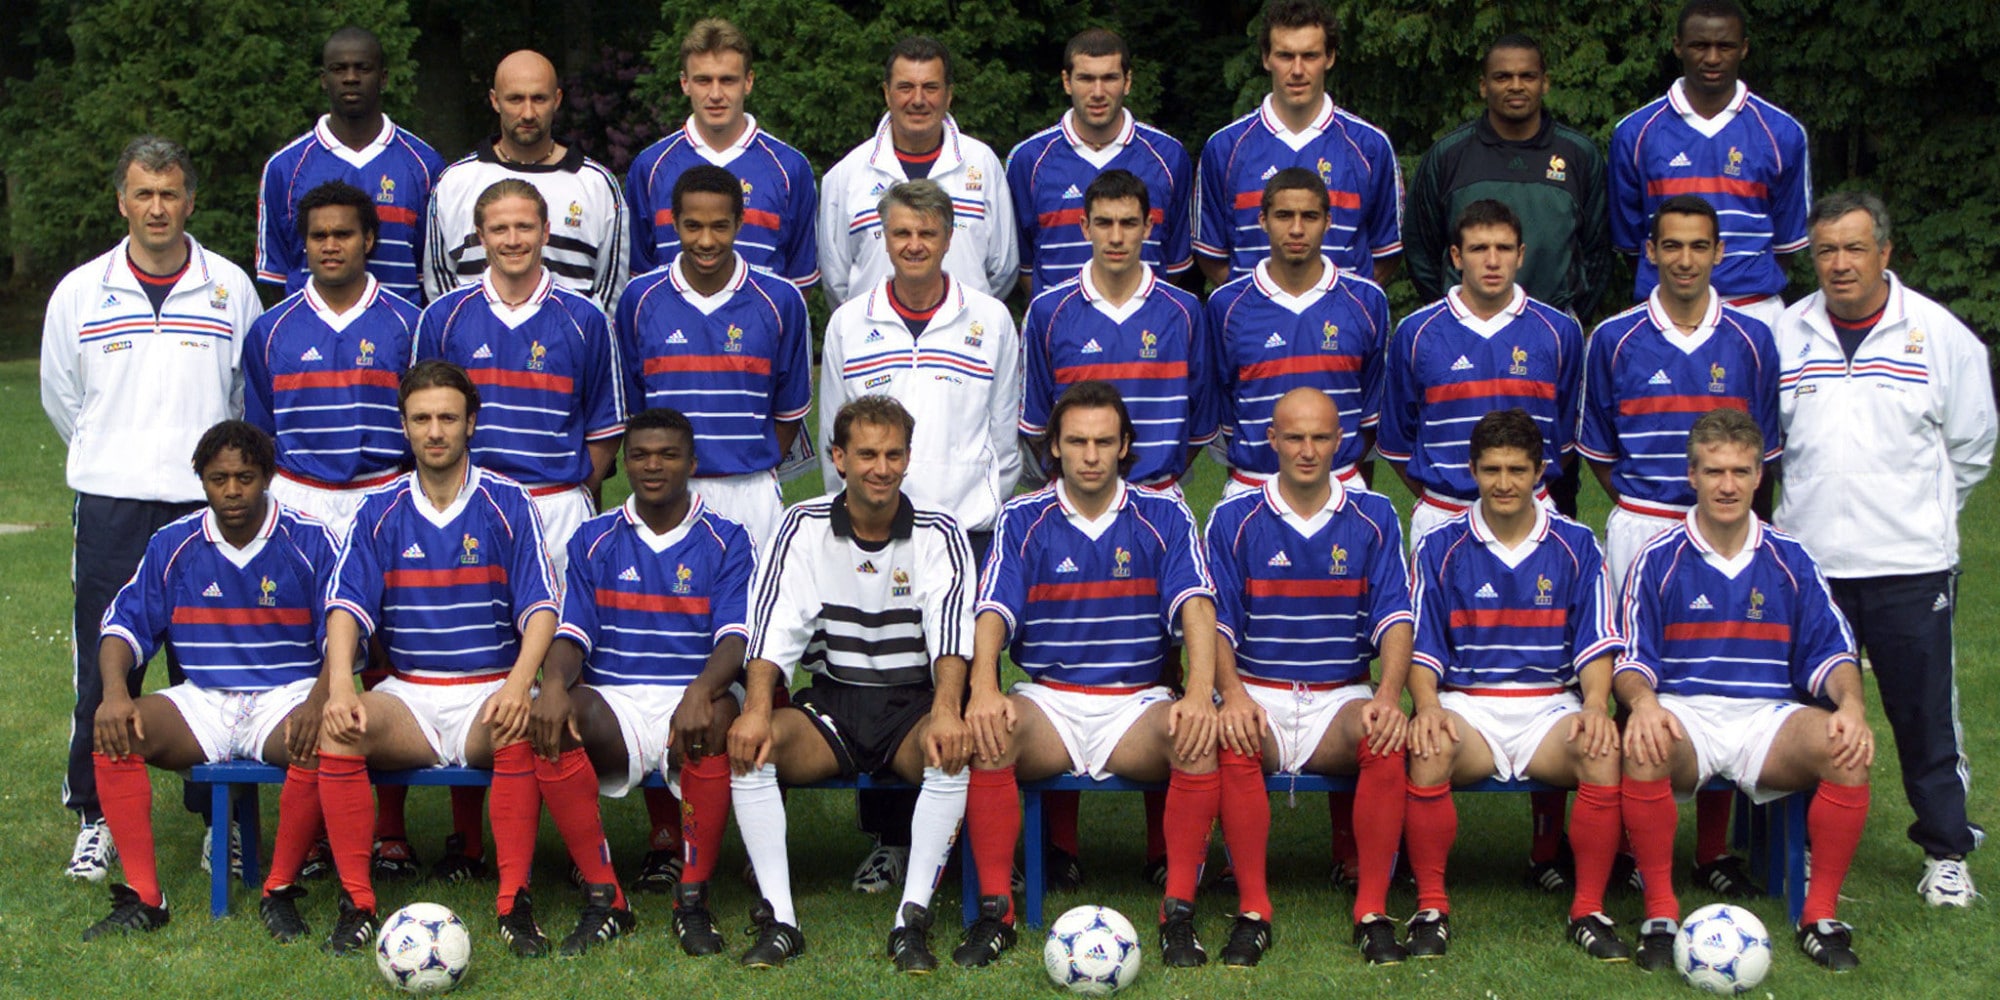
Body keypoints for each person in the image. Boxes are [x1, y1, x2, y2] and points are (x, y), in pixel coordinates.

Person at [42, 135, 263, 882]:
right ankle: (97, 817)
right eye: (144, 193)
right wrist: (116, 454)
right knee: (106, 664)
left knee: (217, 667)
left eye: (170, 194)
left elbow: (243, 401)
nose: (158, 207)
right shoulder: (81, 290)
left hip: (207, 508)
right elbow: (62, 397)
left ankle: (220, 822)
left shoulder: (229, 286)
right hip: (111, 501)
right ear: (122, 201)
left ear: (190, 201)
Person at [313, 361, 585, 958]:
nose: (434, 431)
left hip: (489, 686)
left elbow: (542, 607)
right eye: (421, 419)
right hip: (410, 693)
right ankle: (357, 904)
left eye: (447, 418)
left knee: (519, 728)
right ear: (404, 427)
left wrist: (520, 685)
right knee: (342, 731)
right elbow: (346, 607)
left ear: (471, 424)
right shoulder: (378, 508)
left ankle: (514, 902)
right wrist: (339, 688)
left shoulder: (508, 502)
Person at [957, 380, 1228, 969]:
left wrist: (1202, 694)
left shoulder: (1163, 513)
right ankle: (994, 912)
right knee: (990, 734)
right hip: (1049, 701)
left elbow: (1197, 605)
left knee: (1197, 739)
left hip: (1134, 704)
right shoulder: (1022, 518)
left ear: (1124, 444)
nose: (1089, 455)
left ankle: (1178, 913)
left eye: (1104, 442)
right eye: (1076, 441)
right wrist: (982, 688)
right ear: (1053, 445)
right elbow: (992, 611)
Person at [1773, 191, 1996, 907]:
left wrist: (1918, 516)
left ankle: (1947, 851)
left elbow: (1972, 446)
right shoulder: (1786, 334)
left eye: (1855, 247)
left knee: (1922, 711)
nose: (1840, 264)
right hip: (1810, 568)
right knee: (1806, 712)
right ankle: (1799, 847)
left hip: (1910, 566)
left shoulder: (1937, 334)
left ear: (1886, 253)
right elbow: (1768, 449)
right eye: (1827, 250)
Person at [726, 395, 978, 971]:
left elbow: (950, 633)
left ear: (909, 459)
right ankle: (780, 918)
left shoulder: (941, 530)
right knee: (752, 748)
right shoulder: (802, 524)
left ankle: (910, 921)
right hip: (835, 701)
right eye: (866, 454)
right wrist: (758, 708)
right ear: (838, 458)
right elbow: (774, 625)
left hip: (912, 704)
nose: (881, 468)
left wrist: (946, 711)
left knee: (951, 754)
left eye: (893, 454)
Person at [1617, 407, 1875, 971]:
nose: (1727, 485)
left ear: (1760, 475)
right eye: (1713, 472)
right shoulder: (1656, 559)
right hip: (1686, 713)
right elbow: (1632, 659)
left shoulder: (1792, 558)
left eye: (1740, 471)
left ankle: (1819, 914)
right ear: (1692, 476)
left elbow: (1832, 651)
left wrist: (1851, 705)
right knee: (1642, 741)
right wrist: (1642, 704)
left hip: (1769, 717)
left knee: (1845, 748)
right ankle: (1660, 911)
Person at [818, 179, 1019, 891]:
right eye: (900, 234)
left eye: (927, 234)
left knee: (956, 686)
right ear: (882, 236)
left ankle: (966, 845)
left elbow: (1004, 433)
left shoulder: (990, 318)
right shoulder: (849, 322)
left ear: (949, 237)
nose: (913, 246)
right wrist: (847, 528)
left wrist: (987, 513)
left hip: (963, 531)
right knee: (875, 679)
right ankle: (889, 841)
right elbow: (832, 437)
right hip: (875, 532)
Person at [80, 422, 334, 941]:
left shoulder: (310, 539)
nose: (233, 490)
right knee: (115, 733)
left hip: (284, 697)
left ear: (267, 477)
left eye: (245, 476)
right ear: (201, 479)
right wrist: (114, 694)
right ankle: (145, 899)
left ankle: (278, 891)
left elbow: (345, 634)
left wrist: (318, 698)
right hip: (204, 699)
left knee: (325, 738)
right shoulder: (174, 544)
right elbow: (121, 627)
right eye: (220, 478)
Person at [1402, 408, 1631, 963]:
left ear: (1540, 473)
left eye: (1517, 470)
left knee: (1600, 749)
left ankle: (1589, 909)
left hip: (1549, 706)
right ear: (1473, 471)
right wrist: (1428, 705)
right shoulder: (1440, 548)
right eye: (1491, 470)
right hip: (1469, 706)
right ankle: (1431, 907)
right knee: (1429, 745)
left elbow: (1595, 645)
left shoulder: (1577, 545)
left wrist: (1597, 705)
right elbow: (1423, 648)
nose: (1504, 483)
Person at [530, 407, 752, 956]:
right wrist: (552, 686)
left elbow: (735, 638)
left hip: (694, 691)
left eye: (668, 454)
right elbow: (573, 633)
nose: (653, 466)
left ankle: (692, 897)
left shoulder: (728, 538)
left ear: (692, 462)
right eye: (641, 455)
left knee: (721, 717)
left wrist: (701, 691)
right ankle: (607, 898)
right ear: (624, 462)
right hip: (619, 698)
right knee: (555, 718)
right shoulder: (592, 538)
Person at [1203, 387, 1413, 966]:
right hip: (1260, 688)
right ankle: (1252, 910)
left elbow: (1396, 617)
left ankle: (1372, 911)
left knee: (1383, 735)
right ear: (1271, 440)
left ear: (1339, 441)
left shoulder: (1373, 515)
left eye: (1320, 437)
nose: (1306, 450)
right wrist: (1235, 695)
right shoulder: (1233, 517)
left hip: (1339, 693)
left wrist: (1390, 697)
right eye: (1293, 437)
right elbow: (1216, 623)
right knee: (1233, 734)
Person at [417, 178, 625, 568]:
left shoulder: (586, 319)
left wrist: (570, 491)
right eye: (499, 229)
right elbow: (421, 422)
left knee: (559, 628)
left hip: (557, 509)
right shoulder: (443, 318)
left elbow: (605, 429)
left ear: (545, 231)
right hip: (468, 506)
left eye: (524, 227)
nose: (513, 240)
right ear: (481, 235)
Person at [1580, 194, 1780, 588]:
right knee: (1636, 649)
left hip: (1727, 530)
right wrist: (1647, 501)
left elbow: (1764, 454)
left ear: (1718, 252)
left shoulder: (1754, 340)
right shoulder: (1612, 339)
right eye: (1672, 246)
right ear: (1651, 251)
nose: (1685, 261)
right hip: (1642, 525)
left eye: (1699, 246)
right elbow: (1599, 452)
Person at [618, 165, 811, 549]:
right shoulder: (639, 300)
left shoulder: (781, 300)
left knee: (753, 607)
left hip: (750, 492)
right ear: (673, 223)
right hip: (667, 493)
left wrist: (746, 459)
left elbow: (789, 412)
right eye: (693, 226)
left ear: (740, 222)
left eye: (720, 226)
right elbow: (634, 407)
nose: (706, 240)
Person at [1380, 199, 1582, 547]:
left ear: (1520, 255)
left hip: (1532, 512)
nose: (1492, 261)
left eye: (1503, 248)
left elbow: (1561, 439)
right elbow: (1398, 441)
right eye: (1478, 249)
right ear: (1457, 257)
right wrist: (1448, 490)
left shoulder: (1559, 332)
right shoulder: (1416, 333)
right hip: (1444, 514)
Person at [1610, 0, 1809, 330]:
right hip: (1664, 312)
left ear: (1743, 49)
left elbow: (1786, 244)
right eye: (1700, 45)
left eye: (1725, 46)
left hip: (1754, 311)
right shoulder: (1634, 133)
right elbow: (1632, 244)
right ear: (1678, 47)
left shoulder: (1782, 133)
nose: (1713, 58)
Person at [244, 180, 422, 539]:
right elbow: (260, 432)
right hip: (297, 495)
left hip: (384, 491)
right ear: (305, 245)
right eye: (318, 236)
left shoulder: (410, 324)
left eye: (343, 234)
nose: (330, 246)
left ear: (368, 240)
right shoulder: (270, 329)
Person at [1020, 169, 1214, 494]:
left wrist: (1158, 475)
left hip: (1159, 496)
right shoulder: (1047, 312)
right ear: (1085, 227)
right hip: (1076, 498)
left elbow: (1200, 423)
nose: (1115, 237)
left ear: (1148, 227)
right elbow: (1037, 425)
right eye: (1104, 223)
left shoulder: (1184, 312)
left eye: (1128, 223)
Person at [1208, 168, 1388, 498]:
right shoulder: (1225, 305)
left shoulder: (1367, 301)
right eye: (1283, 215)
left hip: (1341, 485)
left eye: (1309, 216)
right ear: (1263, 220)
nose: (1296, 228)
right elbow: (1225, 410)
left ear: (1328, 221)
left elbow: (1370, 413)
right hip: (1253, 486)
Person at [1194, 0, 1401, 287]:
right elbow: (1211, 255)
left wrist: (1343, 305)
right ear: (1266, 58)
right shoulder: (1224, 148)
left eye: (1310, 55)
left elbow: (1386, 253)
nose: (1298, 70)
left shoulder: (1370, 146)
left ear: (1329, 57)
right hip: (1255, 326)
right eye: (1285, 56)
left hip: (1337, 328)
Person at [1405, 34, 1608, 326]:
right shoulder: (1449, 155)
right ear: (1483, 86)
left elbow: (1598, 250)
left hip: (1553, 326)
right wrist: (1455, 313)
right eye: (1502, 77)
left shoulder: (1578, 154)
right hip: (1464, 328)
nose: (1516, 86)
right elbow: (1420, 249)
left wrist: (1567, 317)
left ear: (1545, 82)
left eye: (1527, 76)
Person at [818, 36, 1017, 308]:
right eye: (905, 87)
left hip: (965, 342)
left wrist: (968, 316)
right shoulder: (847, 174)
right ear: (887, 93)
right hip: (877, 344)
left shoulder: (982, 165)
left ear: (949, 94)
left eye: (930, 87)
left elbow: (1003, 268)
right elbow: (835, 280)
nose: (918, 100)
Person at [425, 50, 628, 314]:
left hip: (567, 351)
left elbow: (610, 296)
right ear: (495, 101)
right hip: (474, 352)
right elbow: (439, 289)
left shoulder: (597, 185)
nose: (528, 113)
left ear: (557, 100)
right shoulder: (455, 183)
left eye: (539, 99)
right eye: (515, 99)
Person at [258, 26, 446, 303]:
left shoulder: (425, 165)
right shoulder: (284, 168)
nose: (350, 78)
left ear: (383, 78)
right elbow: (277, 278)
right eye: (339, 69)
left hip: (400, 339)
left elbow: (431, 276)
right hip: (310, 341)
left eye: (363, 68)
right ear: (324, 79)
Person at [626, 17, 819, 288]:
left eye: (727, 80)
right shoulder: (649, 168)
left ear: (748, 82)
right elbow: (640, 280)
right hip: (674, 331)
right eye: (703, 80)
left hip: (761, 330)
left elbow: (798, 286)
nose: (715, 94)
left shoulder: (790, 168)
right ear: (685, 83)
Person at [1007, 28, 1194, 297]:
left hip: (1143, 333)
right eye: (1086, 78)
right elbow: (1025, 267)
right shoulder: (1028, 159)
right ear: (1067, 81)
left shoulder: (1169, 156)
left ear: (1127, 82)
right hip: (1060, 332)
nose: (1097, 92)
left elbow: (1174, 265)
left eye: (1109, 78)